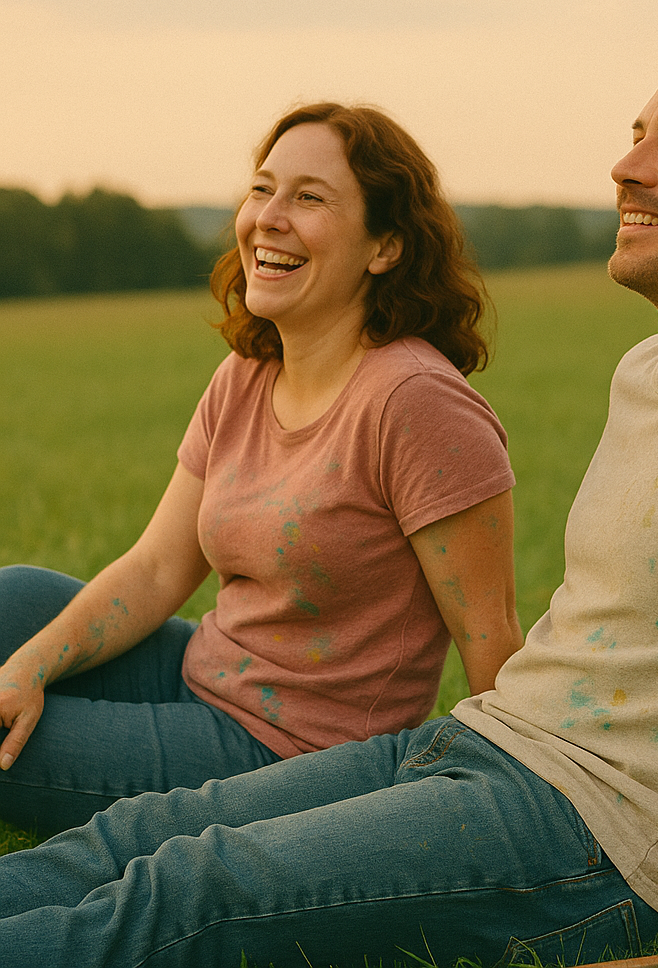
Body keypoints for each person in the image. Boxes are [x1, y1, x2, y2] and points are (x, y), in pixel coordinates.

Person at [0, 8, 658, 968]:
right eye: (636, 134)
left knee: (192, 885)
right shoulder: (650, 370)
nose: (627, 165)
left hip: (586, 834)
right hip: (484, 740)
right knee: (141, 832)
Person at [0, 103, 521, 836]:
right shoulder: (246, 373)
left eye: (309, 198)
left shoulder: (417, 404)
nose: (269, 218)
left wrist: (510, 816)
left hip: (291, 755)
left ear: (386, 247)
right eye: (263, 189)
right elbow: (155, 570)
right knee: (12, 599)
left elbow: (490, 635)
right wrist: (31, 666)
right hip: (198, 672)